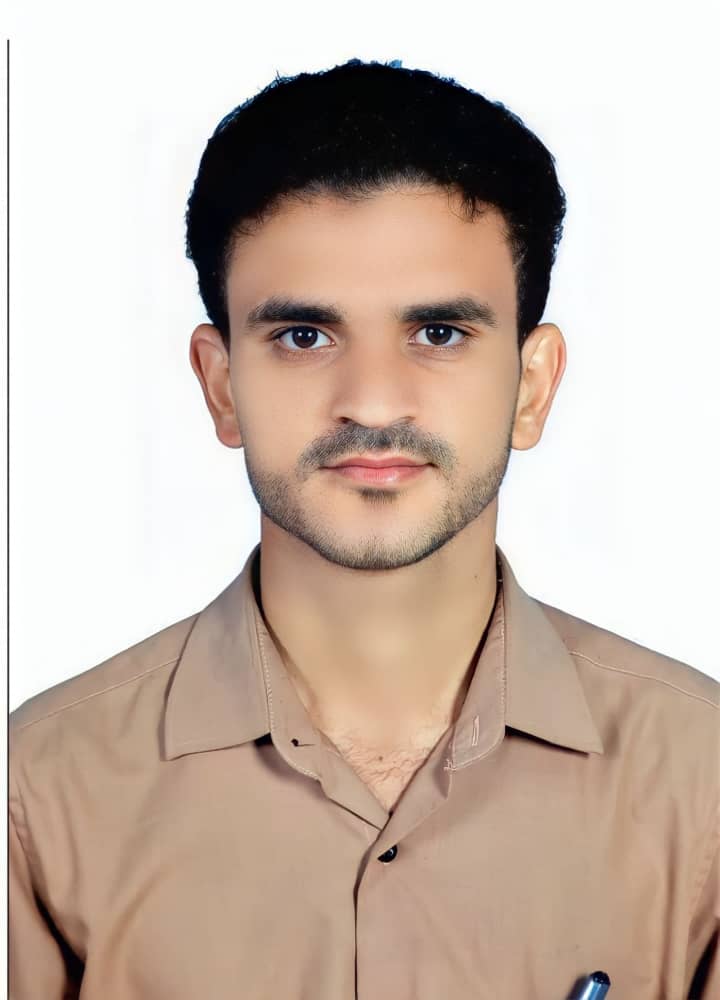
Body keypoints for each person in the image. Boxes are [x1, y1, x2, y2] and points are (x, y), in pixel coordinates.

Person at [9, 58, 718, 999]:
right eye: (304, 336)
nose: (374, 401)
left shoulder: (703, 780)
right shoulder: (34, 794)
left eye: (440, 334)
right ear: (222, 386)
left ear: (532, 387)